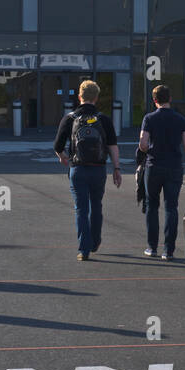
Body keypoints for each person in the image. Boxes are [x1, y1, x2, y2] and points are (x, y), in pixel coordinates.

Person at [53, 79, 121, 261]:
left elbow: (57, 145)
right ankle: (95, 240)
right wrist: (116, 168)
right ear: (96, 98)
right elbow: (113, 146)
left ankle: (84, 249)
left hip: (78, 169)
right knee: (96, 205)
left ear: (79, 96)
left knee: (81, 209)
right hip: (98, 169)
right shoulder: (103, 119)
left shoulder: (70, 118)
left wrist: (63, 157)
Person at [138, 85, 185, 261]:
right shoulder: (180, 119)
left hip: (154, 166)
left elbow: (143, 144)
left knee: (152, 206)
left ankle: (152, 247)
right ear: (170, 99)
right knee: (171, 208)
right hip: (174, 167)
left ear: (154, 100)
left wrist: (147, 147)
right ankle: (169, 250)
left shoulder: (149, 118)